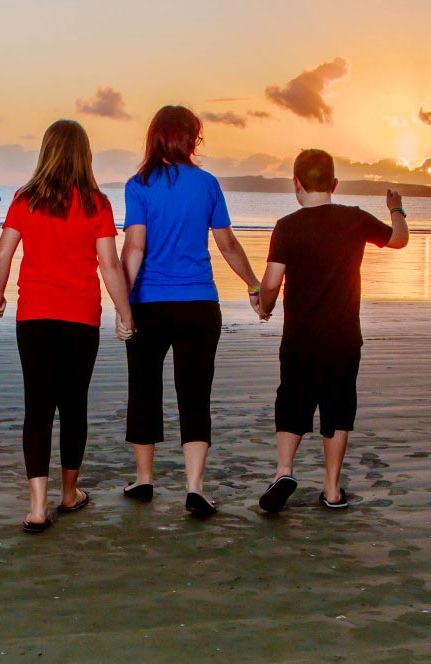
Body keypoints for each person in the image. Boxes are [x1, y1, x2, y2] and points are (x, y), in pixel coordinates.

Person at [0, 120, 136, 533]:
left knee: (37, 407)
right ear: (84, 155)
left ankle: (36, 508)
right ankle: (68, 494)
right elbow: (109, 264)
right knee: (73, 406)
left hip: (34, 317)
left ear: (46, 152)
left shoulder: (25, 199)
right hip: (80, 318)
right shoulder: (97, 203)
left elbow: (3, 253)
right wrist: (125, 313)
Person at [120, 105, 265, 519]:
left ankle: (144, 480)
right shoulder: (207, 184)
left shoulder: (138, 185)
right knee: (195, 395)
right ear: (188, 139)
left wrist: (122, 304)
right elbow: (227, 244)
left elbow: (134, 247)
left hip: (148, 304)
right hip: (199, 304)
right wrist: (253, 284)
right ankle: (195, 488)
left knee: (144, 390)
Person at [256, 148, 409, 512]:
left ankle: (283, 471)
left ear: (296, 183)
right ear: (335, 184)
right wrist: (396, 209)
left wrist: (264, 306)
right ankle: (332, 489)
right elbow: (398, 239)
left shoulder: (287, 226)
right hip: (343, 337)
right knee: (338, 408)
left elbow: (272, 282)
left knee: (292, 401)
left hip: (300, 338)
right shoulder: (354, 218)